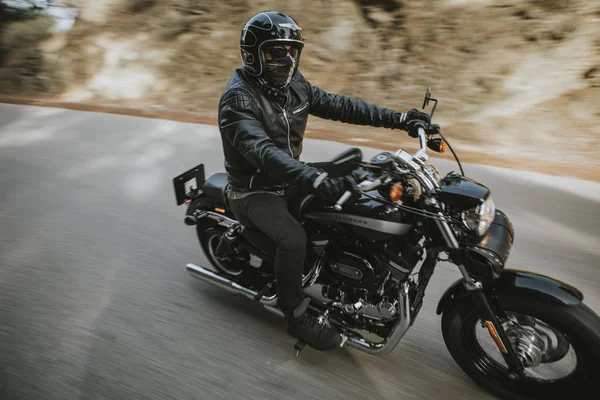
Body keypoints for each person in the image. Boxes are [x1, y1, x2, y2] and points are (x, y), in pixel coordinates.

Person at [218, 11, 434, 351]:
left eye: (292, 51)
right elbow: (261, 152)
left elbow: (340, 106)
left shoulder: (293, 85)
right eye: (277, 51)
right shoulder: (238, 100)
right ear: (254, 55)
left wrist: (401, 119)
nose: (287, 59)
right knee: (292, 238)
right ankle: (297, 314)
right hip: (256, 189)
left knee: (360, 171)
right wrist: (313, 178)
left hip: (289, 175)